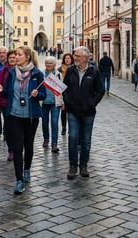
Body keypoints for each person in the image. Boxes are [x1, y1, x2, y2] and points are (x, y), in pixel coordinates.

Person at [0, 46, 46, 195]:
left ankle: (27, 169)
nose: (16, 57)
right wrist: (1, 91)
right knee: (17, 147)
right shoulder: (11, 72)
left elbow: (43, 94)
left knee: (28, 145)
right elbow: (8, 92)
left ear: (27, 57)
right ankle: (19, 180)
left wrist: (38, 94)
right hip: (15, 115)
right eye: (15, 54)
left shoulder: (37, 74)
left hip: (31, 116)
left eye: (19, 54)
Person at [63, 46, 104, 180]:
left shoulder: (94, 71)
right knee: (73, 137)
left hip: (88, 112)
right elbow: (64, 89)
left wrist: (92, 103)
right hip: (73, 111)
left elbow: (100, 90)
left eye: (78, 56)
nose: (75, 58)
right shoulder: (70, 71)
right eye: (75, 55)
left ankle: (83, 166)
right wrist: (68, 102)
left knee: (86, 140)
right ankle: (73, 166)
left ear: (85, 58)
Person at [0, 49, 17, 161]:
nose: (12, 59)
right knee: (8, 128)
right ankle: (11, 150)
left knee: (18, 129)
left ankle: (18, 150)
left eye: (14, 57)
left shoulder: (21, 70)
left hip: (18, 104)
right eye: (10, 58)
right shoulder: (3, 71)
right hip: (5, 103)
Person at [42, 56, 64, 153]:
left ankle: (54, 143)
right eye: (47, 63)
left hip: (55, 103)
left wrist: (62, 102)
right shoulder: (41, 74)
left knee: (54, 123)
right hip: (44, 102)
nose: (48, 65)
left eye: (50, 63)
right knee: (44, 123)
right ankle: (46, 139)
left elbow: (61, 90)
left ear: (54, 64)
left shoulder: (58, 75)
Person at [59, 53, 74, 135]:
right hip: (62, 92)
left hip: (72, 93)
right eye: (66, 58)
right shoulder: (60, 69)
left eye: (69, 58)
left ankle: (72, 127)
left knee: (72, 112)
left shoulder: (75, 69)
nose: (67, 60)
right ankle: (64, 127)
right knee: (63, 112)